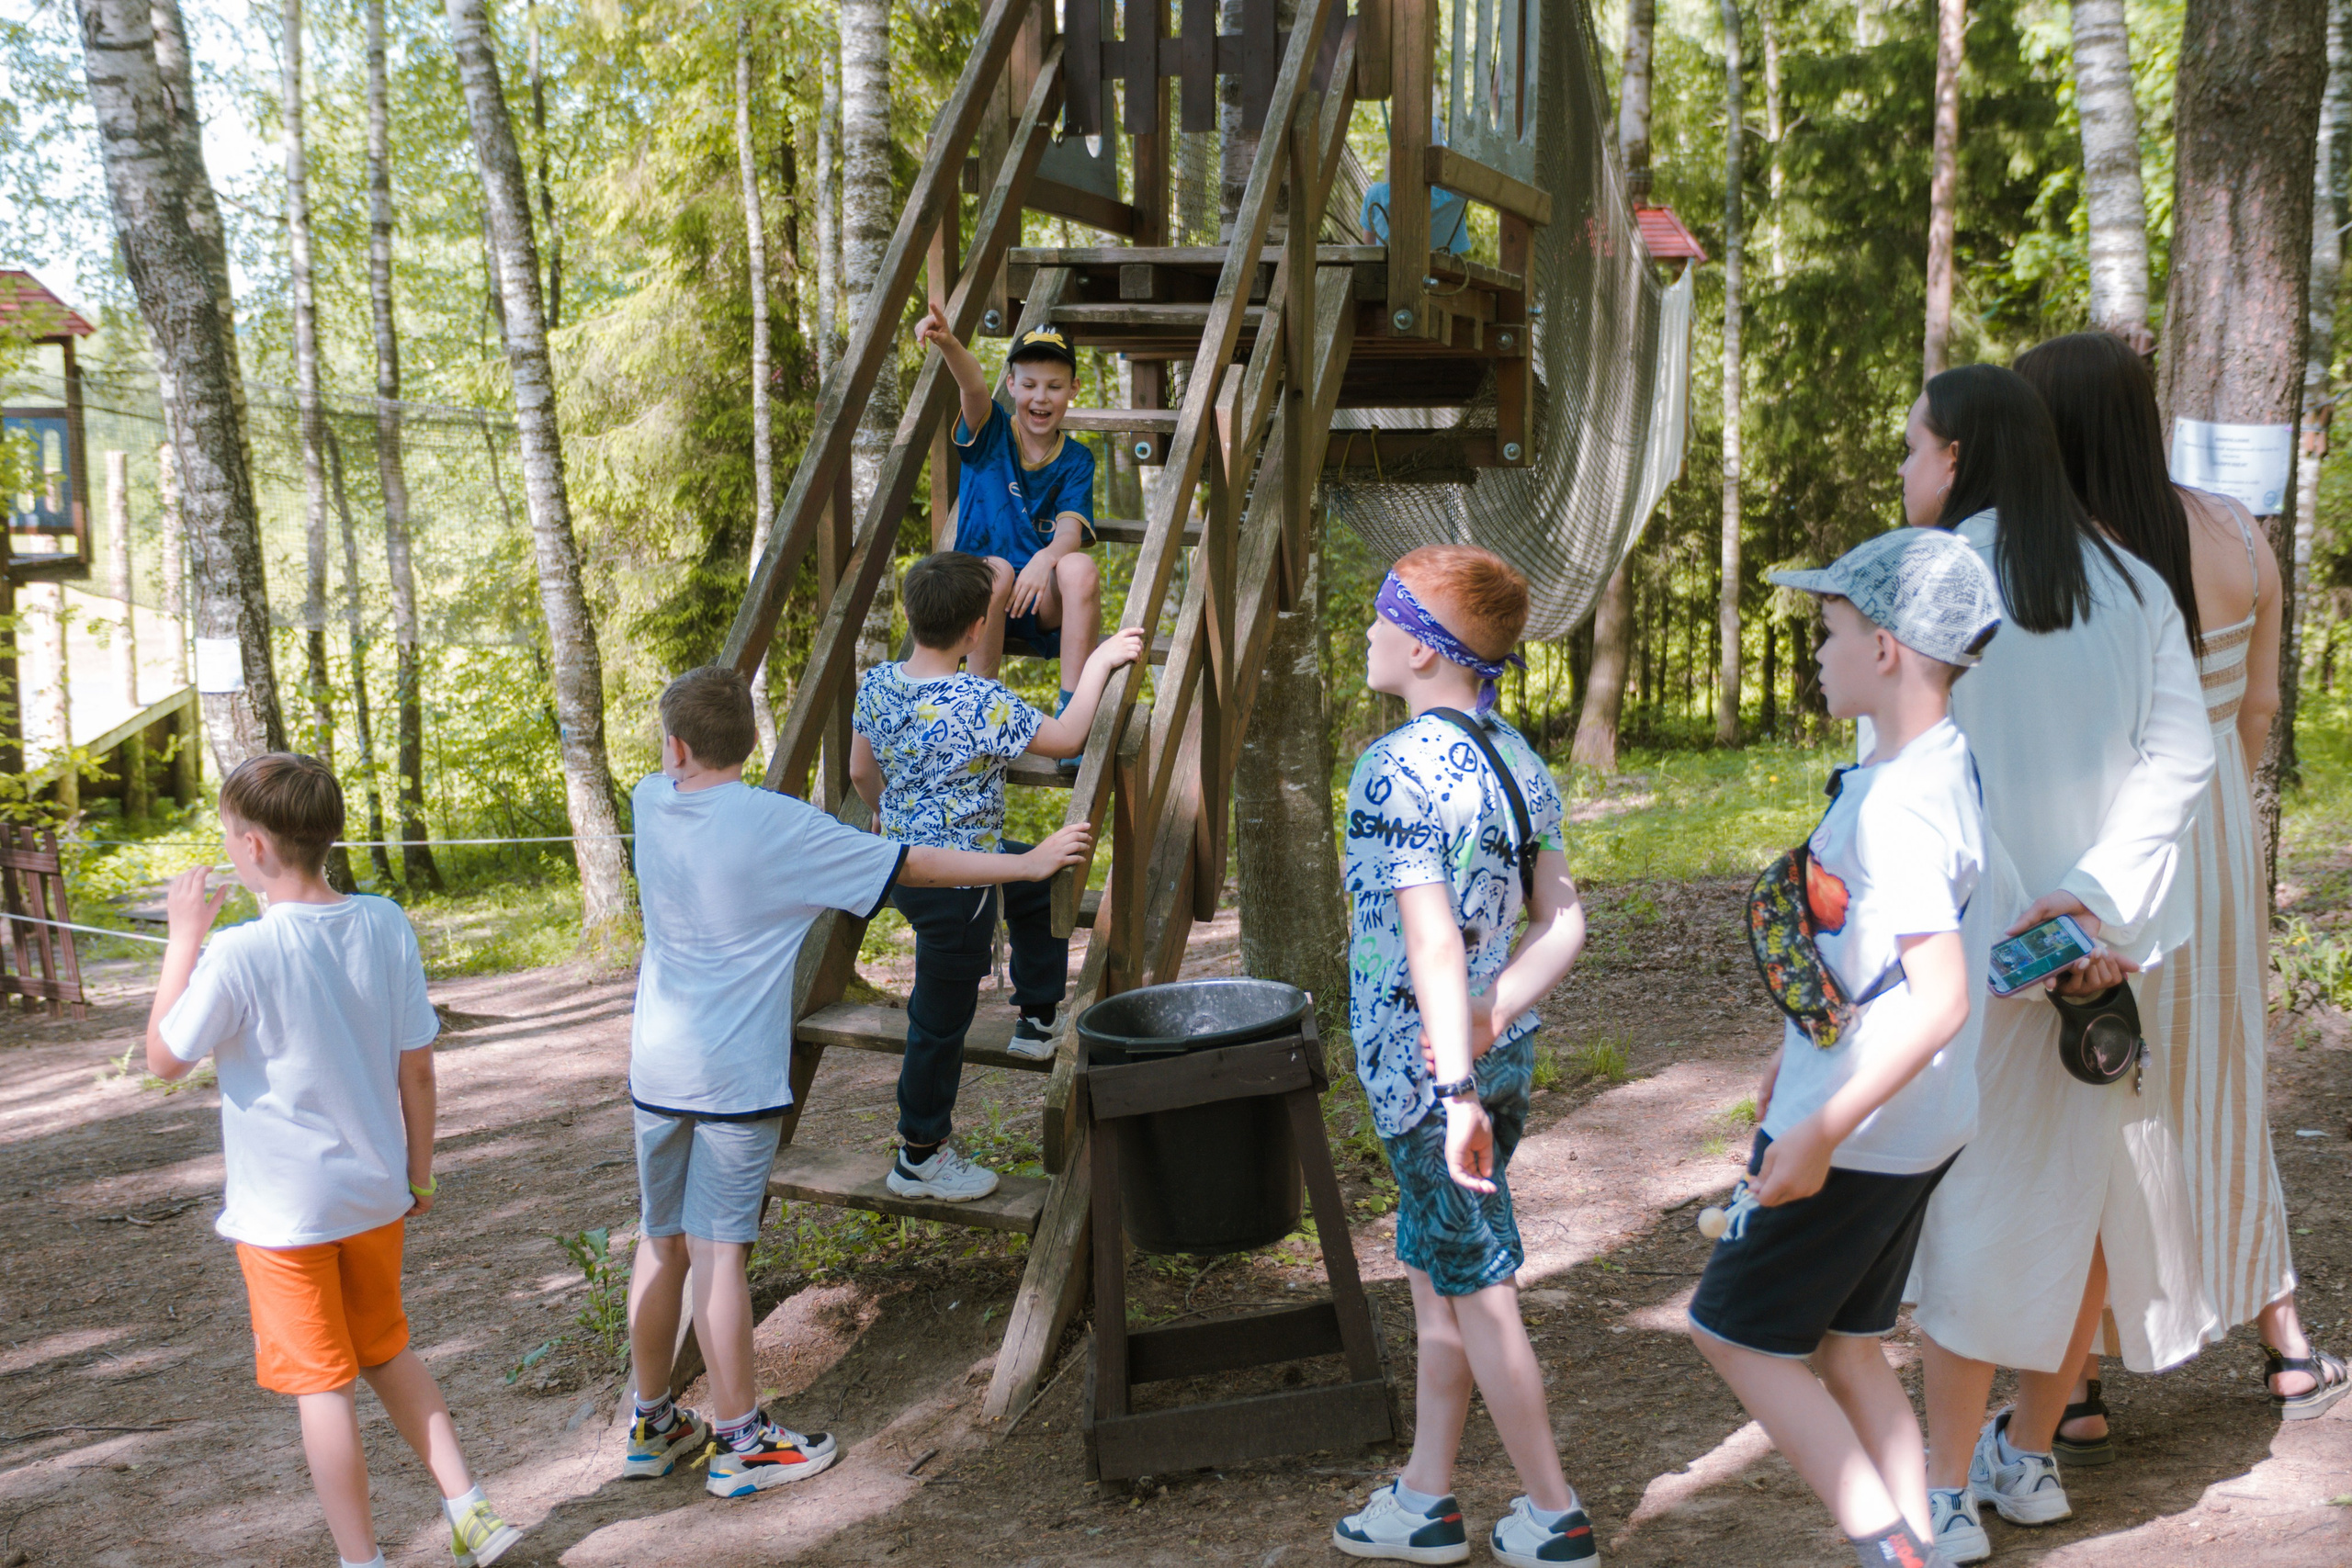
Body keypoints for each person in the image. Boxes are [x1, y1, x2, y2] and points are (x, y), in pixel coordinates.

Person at [621, 665, 1093, 1496]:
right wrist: (1027, 865)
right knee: (719, 1253)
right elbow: (914, 863)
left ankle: (652, 1422)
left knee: (662, 1242)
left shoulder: (648, 799)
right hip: (732, 1077)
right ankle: (742, 1443)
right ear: (749, 742)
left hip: (655, 1067)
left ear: (677, 745)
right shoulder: (781, 827)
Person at [1895, 365, 2217, 1563]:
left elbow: (1910, 766)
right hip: (2106, 954)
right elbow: (2181, 758)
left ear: (1958, 456)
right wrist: (2090, 905)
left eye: (1913, 446)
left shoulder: (1932, 577)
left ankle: (1941, 1490)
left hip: (1967, 946)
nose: (1904, 467)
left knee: (1965, 1208)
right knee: (2082, 1198)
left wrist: (2025, 911)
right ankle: (2025, 1456)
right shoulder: (2133, 580)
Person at [2017, 331, 2345, 1437]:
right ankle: (2285, 1343)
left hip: (2096, 835)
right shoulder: (2237, 532)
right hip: (2210, 827)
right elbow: (2257, 713)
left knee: (2094, 1081)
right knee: (2221, 1075)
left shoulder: (2051, 557)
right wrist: (2220, 826)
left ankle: (2077, 1383)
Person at [1690, 528, 2002, 1568]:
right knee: (1847, 1346)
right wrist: (1801, 1050)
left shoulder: (1900, 806)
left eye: (1829, 631)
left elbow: (1940, 998)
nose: (1817, 652)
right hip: (1916, 1120)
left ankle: (1888, 1548)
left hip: (1862, 1132)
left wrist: (1820, 1127)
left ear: (1886, 648)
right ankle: (1921, 1545)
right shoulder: (1934, 765)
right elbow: (1877, 959)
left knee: (1731, 1331)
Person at [144, 753, 524, 1568]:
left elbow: (164, 1059)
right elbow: (418, 1066)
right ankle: (471, 1510)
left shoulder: (239, 951)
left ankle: (362, 1561)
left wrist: (182, 939)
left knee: (323, 1386)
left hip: (285, 1218)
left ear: (252, 846)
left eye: (229, 834)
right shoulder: (384, 922)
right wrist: (419, 1171)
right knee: (387, 1348)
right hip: (375, 1193)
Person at [1329, 546, 1595, 1568]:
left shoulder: (1392, 769)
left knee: (1479, 1288)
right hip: (1493, 1055)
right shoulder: (1517, 757)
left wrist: (1451, 1089)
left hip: (1429, 1081)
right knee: (1437, 1275)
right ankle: (1425, 1496)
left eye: (1384, 615)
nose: (1369, 630)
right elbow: (1562, 919)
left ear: (1425, 650)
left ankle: (1554, 1516)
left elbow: (1432, 940)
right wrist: (1494, 1015)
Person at [849, 552, 1144, 1200]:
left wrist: (885, 811)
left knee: (1034, 883)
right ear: (979, 628)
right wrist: (1098, 661)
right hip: (960, 892)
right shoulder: (981, 701)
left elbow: (860, 771)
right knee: (939, 1020)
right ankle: (920, 1154)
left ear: (910, 615)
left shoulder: (877, 684)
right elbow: (1067, 738)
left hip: (903, 862)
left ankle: (1036, 1018)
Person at [915, 303, 1103, 711]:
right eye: (1030, 384)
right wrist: (949, 344)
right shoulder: (991, 430)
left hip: (1036, 597)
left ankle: (1073, 707)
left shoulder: (1076, 460)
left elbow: (1070, 533)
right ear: (1012, 384)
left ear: (1073, 389)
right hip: (978, 596)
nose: (1041, 397)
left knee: (1079, 567)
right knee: (997, 569)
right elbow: (973, 386)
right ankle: (979, 705)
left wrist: (1044, 559)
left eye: (1054, 386)